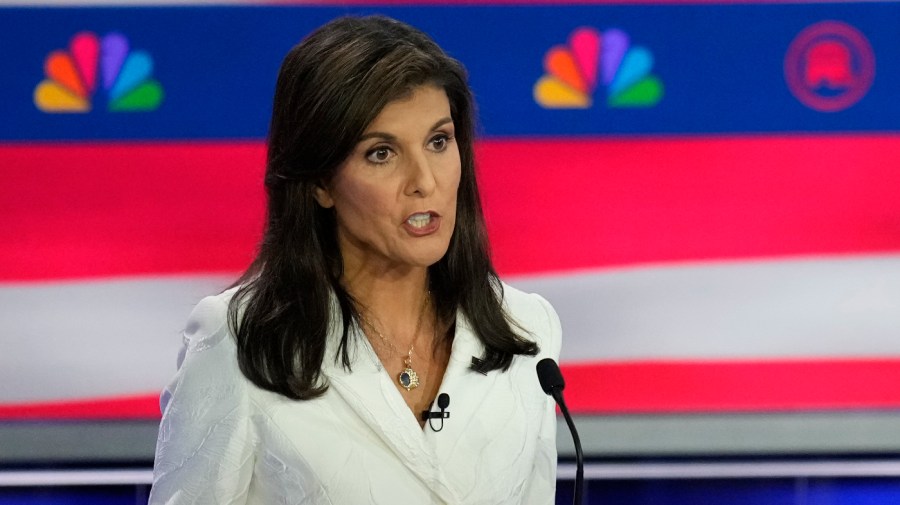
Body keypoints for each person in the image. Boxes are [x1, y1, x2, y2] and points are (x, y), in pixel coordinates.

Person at [149, 15, 561, 504]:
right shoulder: (243, 341)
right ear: (321, 182)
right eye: (382, 153)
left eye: (439, 141)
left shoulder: (526, 331)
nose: (425, 181)